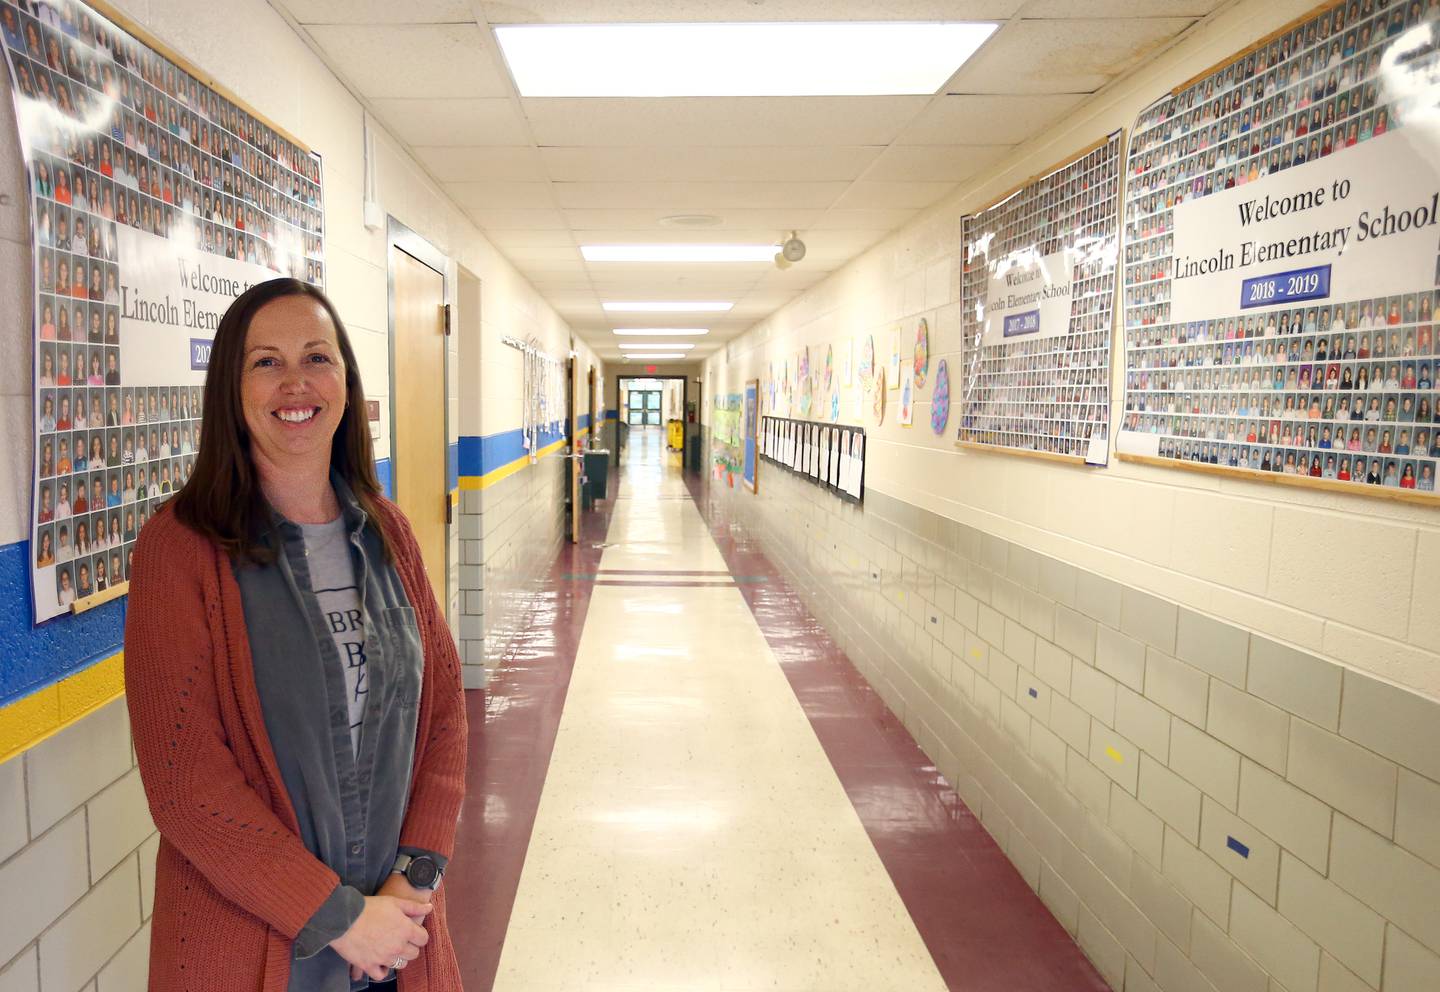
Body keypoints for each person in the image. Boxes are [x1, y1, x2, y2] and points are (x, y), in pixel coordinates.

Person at [125, 279, 466, 990]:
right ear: (232, 388)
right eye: (265, 362)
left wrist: (415, 878)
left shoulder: (388, 532)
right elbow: (185, 785)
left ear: (345, 377)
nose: (295, 383)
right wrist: (341, 918)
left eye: (317, 357)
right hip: (254, 943)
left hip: (397, 934)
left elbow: (443, 715)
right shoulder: (180, 549)